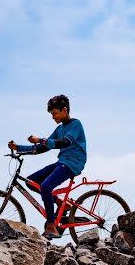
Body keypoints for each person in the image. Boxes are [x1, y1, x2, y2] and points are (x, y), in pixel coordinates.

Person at [8, 94, 87, 239]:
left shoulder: (76, 125)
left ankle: (52, 227)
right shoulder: (59, 128)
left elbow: (65, 142)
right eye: (51, 114)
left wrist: (42, 140)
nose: (53, 117)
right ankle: (61, 203)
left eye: (55, 113)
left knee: (45, 187)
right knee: (31, 182)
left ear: (64, 110)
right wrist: (18, 147)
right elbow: (42, 148)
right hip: (62, 162)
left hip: (72, 163)